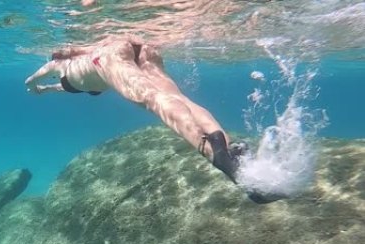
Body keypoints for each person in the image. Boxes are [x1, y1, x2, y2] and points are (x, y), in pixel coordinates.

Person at [25, 36, 279, 204]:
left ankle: (222, 160)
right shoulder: (76, 67)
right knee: (176, 97)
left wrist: (32, 84)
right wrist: (43, 89)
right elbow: (61, 85)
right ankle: (231, 148)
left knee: (154, 100)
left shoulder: (62, 65)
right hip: (133, 45)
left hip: (108, 57)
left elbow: (41, 72)